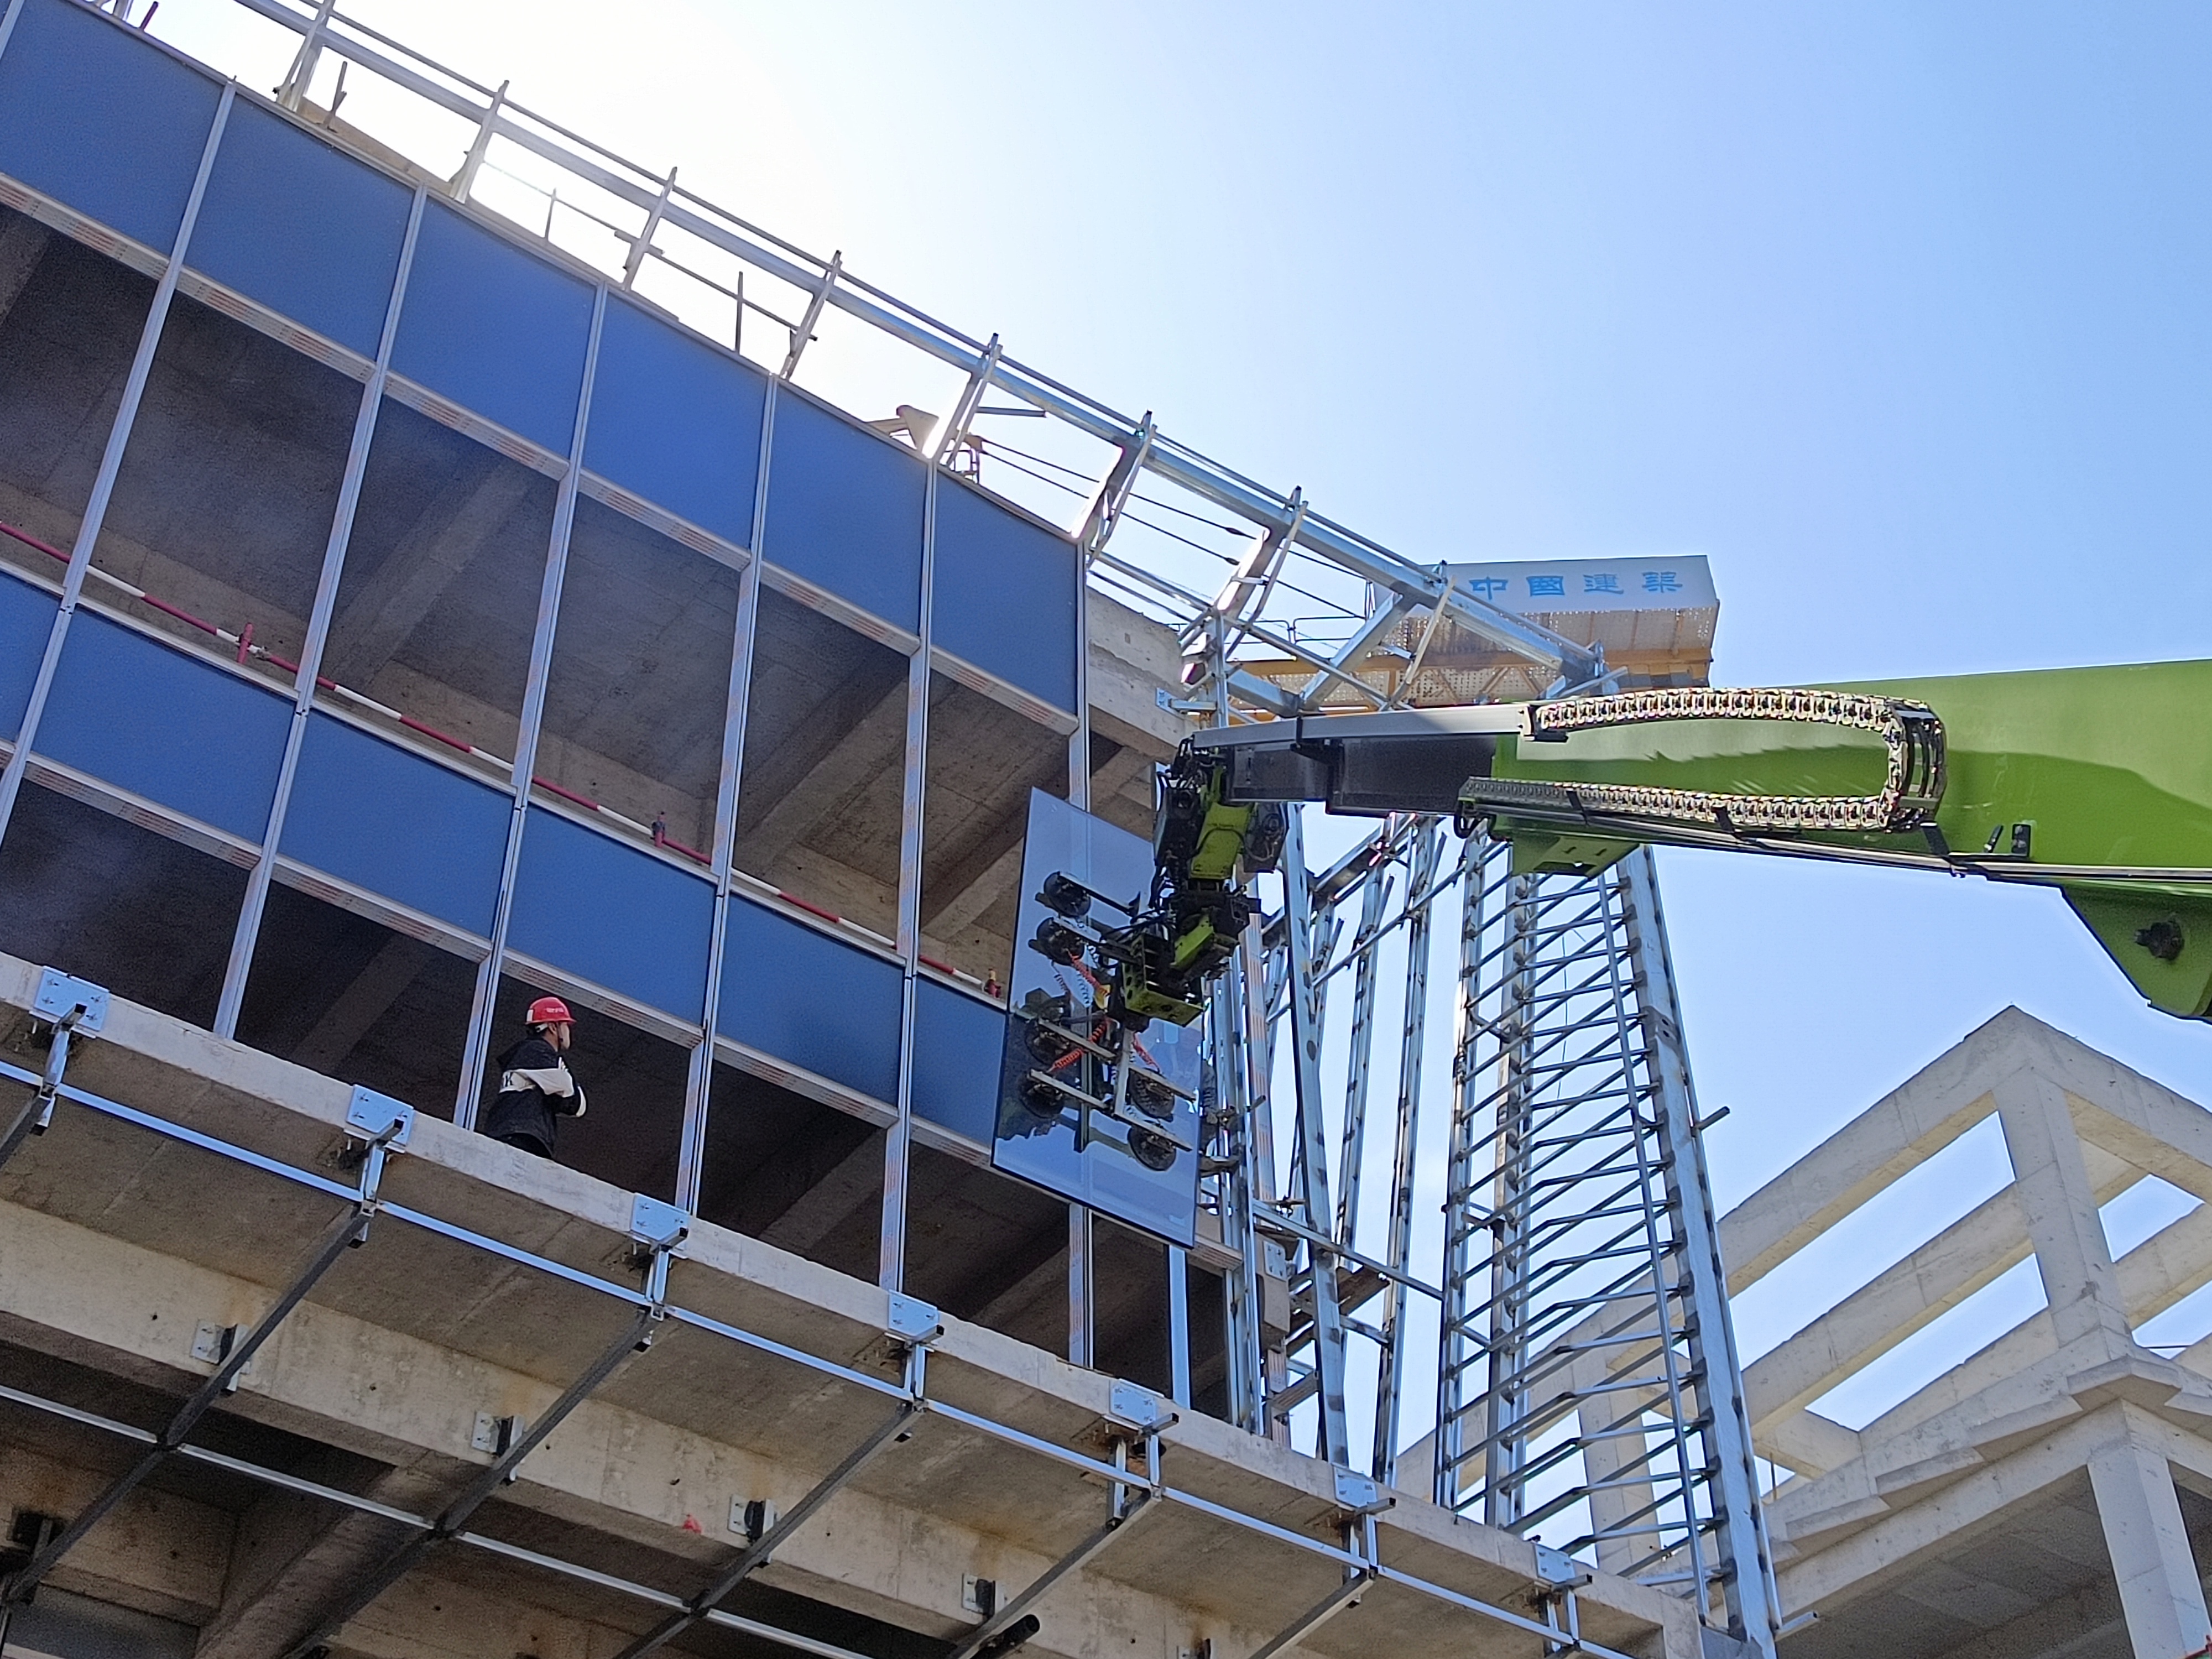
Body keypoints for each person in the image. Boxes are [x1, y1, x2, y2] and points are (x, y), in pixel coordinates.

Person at [483, 996, 587, 1159]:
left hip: (513, 1136)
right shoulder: (536, 1052)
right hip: (522, 1139)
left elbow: (574, 1105)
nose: (568, 1031)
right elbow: (574, 1101)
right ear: (553, 1027)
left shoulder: (526, 1055)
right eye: (565, 1025)